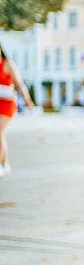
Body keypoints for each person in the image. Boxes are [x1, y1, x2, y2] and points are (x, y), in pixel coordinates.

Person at [0, 42, 34, 177]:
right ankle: (6, 163)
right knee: (1, 134)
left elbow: (19, 84)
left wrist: (27, 100)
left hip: (7, 104)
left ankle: (1, 164)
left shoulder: (8, 64)